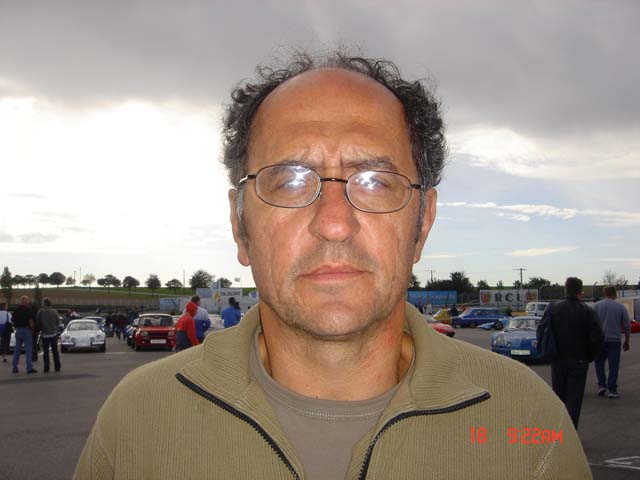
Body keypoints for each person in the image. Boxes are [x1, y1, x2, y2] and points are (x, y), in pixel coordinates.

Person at [75, 51, 593, 479]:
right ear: (240, 225)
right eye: (289, 181)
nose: (335, 223)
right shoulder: (136, 422)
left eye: (374, 181)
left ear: (423, 223)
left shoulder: (527, 421)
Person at [538, 277, 604, 428]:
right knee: (574, 399)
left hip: (557, 359)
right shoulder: (587, 311)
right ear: (580, 291)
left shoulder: (552, 308)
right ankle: (571, 431)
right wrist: (589, 355)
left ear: (565, 289)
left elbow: (541, 331)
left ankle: (559, 430)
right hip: (579, 360)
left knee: (558, 397)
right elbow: (598, 337)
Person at [593, 285, 631, 398]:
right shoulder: (620, 307)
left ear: (604, 293)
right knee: (613, 365)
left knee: (599, 363)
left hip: (599, 340)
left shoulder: (596, 306)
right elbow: (627, 326)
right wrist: (627, 341)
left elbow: (590, 324)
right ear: (615, 294)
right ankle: (612, 389)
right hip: (614, 340)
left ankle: (601, 385)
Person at [12, 295, 37, 374]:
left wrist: (16, 327)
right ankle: (29, 368)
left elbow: (13, 320)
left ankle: (14, 367)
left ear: (20, 301)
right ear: (26, 301)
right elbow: (31, 321)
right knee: (28, 350)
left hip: (18, 330)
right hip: (26, 330)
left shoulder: (16, 309)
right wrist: (32, 330)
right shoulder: (28, 310)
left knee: (17, 350)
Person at [36, 298, 61, 373]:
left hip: (45, 334)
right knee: (55, 351)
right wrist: (55, 328)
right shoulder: (54, 311)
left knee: (46, 352)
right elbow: (58, 322)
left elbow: (38, 321)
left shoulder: (41, 312)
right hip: (53, 334)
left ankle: (46, 367)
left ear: (44, 304)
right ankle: (57, 367)